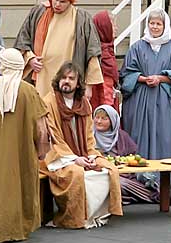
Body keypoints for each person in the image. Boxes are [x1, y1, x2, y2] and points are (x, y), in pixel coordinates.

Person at [0, 48, 50, 243]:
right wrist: (41, 153)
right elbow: (42, 130)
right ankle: (19, 228)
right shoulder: (29, 91)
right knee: (21, 183)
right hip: (23, 152)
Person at [42, 62, 123, 229]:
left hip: (83, 153)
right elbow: (53, 138)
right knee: (77, 173)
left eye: (71, 78)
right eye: (63, 78)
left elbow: (88, 136)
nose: (66, 81)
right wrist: (74, 159)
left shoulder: (84, 103)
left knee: (109, 169)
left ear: (78, 83)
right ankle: (74, 218)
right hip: (58, 157)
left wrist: (91, 156)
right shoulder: (49, 102)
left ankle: (97, 216)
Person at [120, 8, 171, 166]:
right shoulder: (137, 48)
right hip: (140, 101)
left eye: (159, 24)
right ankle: (140, 179)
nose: (155, 27)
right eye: (152, 23)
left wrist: (161, 78)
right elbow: (126, 74)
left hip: (164, 102)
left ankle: (163, 179)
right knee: (139, 136)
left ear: (165, 26)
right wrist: (143, 78)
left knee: (164, 135)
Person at [14, 0, 103, 99]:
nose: (57, 4)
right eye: (55, 0)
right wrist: (30, 59)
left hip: (68, 79)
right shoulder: (39, 12)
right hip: (41, 75)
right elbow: (23, 41)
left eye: (62, 2)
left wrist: (89, 86)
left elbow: (92, 53)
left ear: (71, 2)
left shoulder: (82, 18)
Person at [92, 105, 158, 205]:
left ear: (112, 121)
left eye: (104, 118)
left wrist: (120, 161)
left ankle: (150, 196)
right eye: (97, 117)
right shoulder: (89, 135)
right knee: (109, 183)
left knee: (120, 183)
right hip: (98, 172)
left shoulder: (121, 136)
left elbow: (132, 156)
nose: (99, 121)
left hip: (122, 173)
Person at [90, 11, 120, 112]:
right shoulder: (101, 53)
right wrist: (108, 111)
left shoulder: (108, 49)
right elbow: (106, 87)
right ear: (104, 27)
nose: (116, 28)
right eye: (113, 25)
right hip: (102, 104)